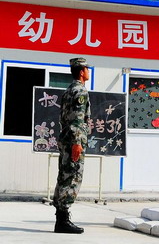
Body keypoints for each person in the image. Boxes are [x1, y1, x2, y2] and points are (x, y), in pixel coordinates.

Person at [53, 57, 91, 234]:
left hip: (65, 138)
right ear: (82, 72)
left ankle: (61, 218)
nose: (88, 71)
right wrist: (77, 142)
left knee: (64, 176)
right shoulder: (80, 91)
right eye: (87, 68)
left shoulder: (68, 90)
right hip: (73, 140)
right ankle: (63, 220)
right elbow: (77, 119)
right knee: (73, 177)